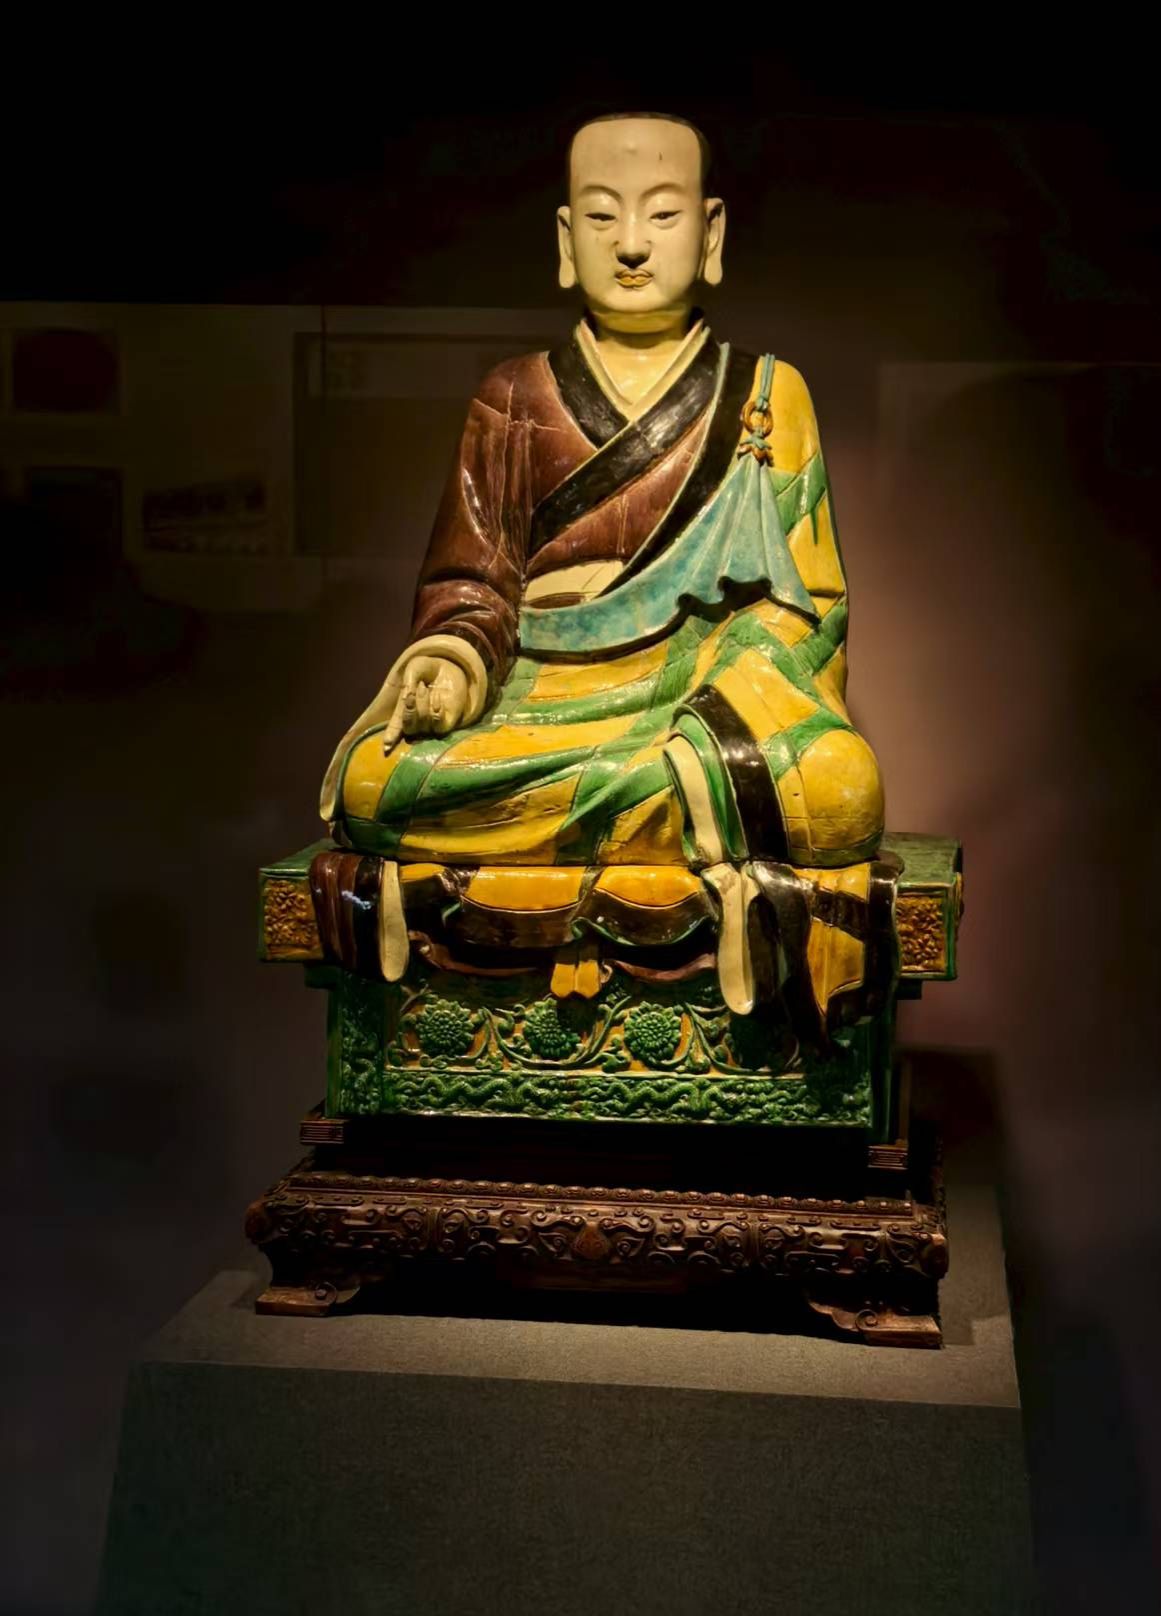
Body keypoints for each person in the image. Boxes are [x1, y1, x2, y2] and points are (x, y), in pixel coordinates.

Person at [315, 112, 886, 1025]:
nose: (630, 245)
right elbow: (473, 584)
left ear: (712, 234)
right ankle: (658, 815)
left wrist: (715, 714)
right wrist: (448, 666)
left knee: (841, 788)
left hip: (696, 705)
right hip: (535, 707)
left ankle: (635, 804)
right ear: (563, 239)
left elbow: (808, 607)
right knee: (372, 788)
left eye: (662, 215)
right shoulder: (510, 395)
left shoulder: (768, 396)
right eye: (601, 215)